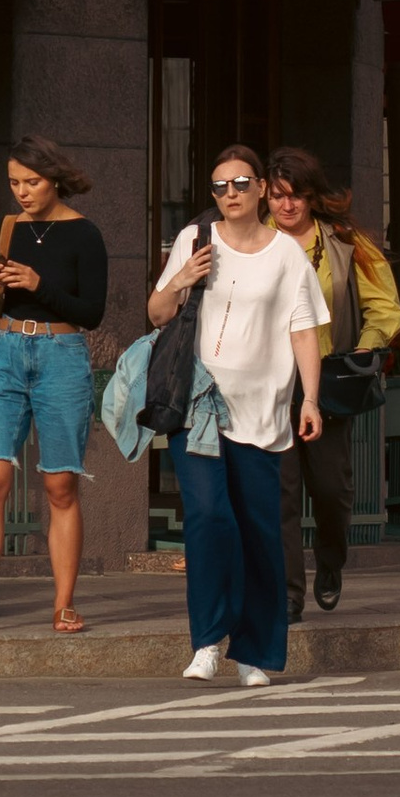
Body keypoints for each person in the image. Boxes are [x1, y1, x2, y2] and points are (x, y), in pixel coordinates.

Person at [148, 144, 326, 684]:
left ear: (261, 191)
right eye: (220, 186)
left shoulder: (286, 254)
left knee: (259, 533)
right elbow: (156, 313)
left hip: (264, 407)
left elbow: (303, 329)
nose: (229, 194)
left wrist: (310, 399)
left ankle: (255, 653)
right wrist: (181, 279)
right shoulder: (193, 242)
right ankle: (206, 640)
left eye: (240, 183)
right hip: (199, 402)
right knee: (207, 517)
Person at [0, 136, 108, 636]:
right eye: (14, 182)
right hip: (5, 355)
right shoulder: (7, 228)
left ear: (55, 178)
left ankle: (64, 604)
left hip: (61, 356)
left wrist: (41, 286)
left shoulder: (85, 234)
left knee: (60, 486)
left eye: (32, 182)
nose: (22, 191)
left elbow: (92, 312)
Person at [266, 144, 400, 615]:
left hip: (325, 380)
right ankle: (288, 593)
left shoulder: (344, 241)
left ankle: (329, 560)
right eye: (279, 195)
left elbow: (387, 306)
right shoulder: (252, 239)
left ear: (311, 197)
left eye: (297, 195)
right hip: (269, 385)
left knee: (330, 489)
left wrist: (367, 343)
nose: (287, 206)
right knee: (279, 493)